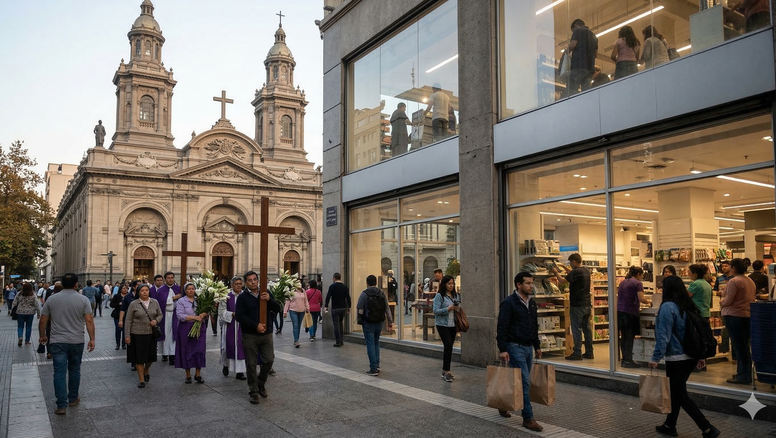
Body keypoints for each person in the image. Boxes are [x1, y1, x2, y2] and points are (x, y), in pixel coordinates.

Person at [649, 276, 721, 438]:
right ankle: (669, 425)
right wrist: (700, 356)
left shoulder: (667, 307)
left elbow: (663, 335)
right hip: (690, 357)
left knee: (680, 395)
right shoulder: (688, 305)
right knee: (676, 392)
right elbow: (698, 333)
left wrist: (655, 358)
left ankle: (708, 428)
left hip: (676, 358)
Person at [38, 273, 95, 415]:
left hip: (57, 341)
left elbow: (43, 320)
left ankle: (61, 405)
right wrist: (92, 339)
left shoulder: (51, 299)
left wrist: (42, 335)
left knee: (59, 372)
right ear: (76, 285)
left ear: (62, 284)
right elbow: (89, 320)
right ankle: (73, 398)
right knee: (75, 369)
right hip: (76, 340)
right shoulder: (83, 300)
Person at [496, 272, 543, 432]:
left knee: (516, 380)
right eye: (528, 283)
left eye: (531, 283)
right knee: (523, 381)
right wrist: (502, 349)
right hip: (514, 346)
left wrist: (537, 346)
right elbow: (502, 326)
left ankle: (502, 403)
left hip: (528, 346)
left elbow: (533, 325)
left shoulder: (532, 303)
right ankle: (528, 418)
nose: (531, 286)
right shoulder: (509, 303)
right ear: (518, 285)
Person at [235, 270, 281, 404]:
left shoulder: (265, 293)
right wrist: (255, 325)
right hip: (250, 335)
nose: (253, 282)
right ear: (246, 283)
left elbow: (277, 308)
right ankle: (254, 391)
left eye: (255, 279)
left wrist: (269, 300)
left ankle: (261, 383)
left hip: (266, 334)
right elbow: (239, 316)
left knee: (269, 360)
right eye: (250, 280)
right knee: (251, 364)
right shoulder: (243, 298)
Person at [721, 258, 756, 385]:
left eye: (730, 267)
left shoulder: (734, 281)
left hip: (734, 316)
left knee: (739, 346)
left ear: (734, 268)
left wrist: (721, 302)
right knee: (744, 346)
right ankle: (744, 372)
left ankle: (743, 375)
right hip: (746, 315)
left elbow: (728, 300)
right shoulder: (750, 281)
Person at [552, 253, 593, 360]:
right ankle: (589, 352)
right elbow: (572, 274)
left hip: (577, 305)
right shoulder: (586, 270)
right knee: (587, 329)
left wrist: (556, 273)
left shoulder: (575, 272)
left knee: (576, 329)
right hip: (587, 304)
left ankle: (577, 353)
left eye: (571, 263)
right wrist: (565, 267)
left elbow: (562, 281)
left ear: (574, 261)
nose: (570, 264)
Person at [123, 284, 162, 388]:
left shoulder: (155, 302)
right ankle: (141, 379)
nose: (145, 292)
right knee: (139, 358)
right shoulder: (133, 304)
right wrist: (127, 335)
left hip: (150, 334)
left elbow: (160, 314)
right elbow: (128, 320)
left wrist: (156, 320)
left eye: (146, 290)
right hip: (137, 334)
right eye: (142, 290)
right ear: (138, 292)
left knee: (150, 357)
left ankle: (146, 369)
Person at [356, 275, 393, 376]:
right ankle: (377, 365)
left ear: (367, 283)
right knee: (376, 342)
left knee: (370, 344)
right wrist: (390, 321)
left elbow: (360, 307)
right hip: (379, 321)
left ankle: (373, 369)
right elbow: (387, 308)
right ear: (376, 282)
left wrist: (359, 319)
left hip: (368, 322)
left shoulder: (364, 294)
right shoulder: (381, 293)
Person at [617, 266, 650, 368]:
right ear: (639, 274)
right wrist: (649, 302)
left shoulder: (623, 282)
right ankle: (629, 360)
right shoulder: (637, 283)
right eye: (642, 275)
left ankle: (624, 359)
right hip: (630, 312)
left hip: (620, 311)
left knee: (624, 337)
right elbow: (641, 298)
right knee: (630, 337)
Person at [175, 282, 208, 384]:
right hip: (186, 327)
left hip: (199, 327)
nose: (191, 290)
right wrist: (194, 317)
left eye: (193, 288)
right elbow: (180, 316)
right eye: (189, 289)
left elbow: (207, 312)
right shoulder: (181, 301)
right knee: (187, 350)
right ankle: (188, 374)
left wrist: (203, 314)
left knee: (199, 349)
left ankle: (198, 374)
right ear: (185, 291)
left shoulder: (200, 299)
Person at [433, 275, 460, 382]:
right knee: (448, 345)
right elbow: (435, 311)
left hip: (453, 324)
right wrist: (448, 309)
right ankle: (446, 371)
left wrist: (457, 307)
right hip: (442, 324)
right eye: (449, 283)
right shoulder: (440, 296)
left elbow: (459, 308)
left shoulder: (455, 295)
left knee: (450, 347)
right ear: (444, 284)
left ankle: (445, 370)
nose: (451, 286)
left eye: (452, 283)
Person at [220, 277, 247, 380]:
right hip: (230, 324)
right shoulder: (226, 296)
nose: (238, 285)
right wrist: (233, 314)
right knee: (229, 346)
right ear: (231, 285)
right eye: (236, 284)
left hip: (243, 325)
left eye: (240, 283)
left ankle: (240, 372)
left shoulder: (245, 295)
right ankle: (226, 365)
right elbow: (221, 312)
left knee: (241, 347)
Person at [151, 271, 180, 365]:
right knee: (166, 335)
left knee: (173, 335)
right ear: (165, 279)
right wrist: (174, 298)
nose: (170, 279)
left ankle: (173, 356)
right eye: (168, 278)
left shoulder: (178, 288)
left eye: (172, 277)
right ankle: (165, 354)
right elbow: (162, 302)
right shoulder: (161, 290)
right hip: (165, 314)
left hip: (175, 315)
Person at [566, 19, 598, 96]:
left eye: (573, 30)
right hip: (590, 68)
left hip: (578, 66)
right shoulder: (594, 36)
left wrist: (565, 52)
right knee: (586, 91)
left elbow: (573, 45)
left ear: (576, 26)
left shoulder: (578, 31)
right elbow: (596, 54)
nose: (573, 32)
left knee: (572, 90)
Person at [324, 272, 351, 347]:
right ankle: (341, 340)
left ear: (334, 278)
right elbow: (348, 298)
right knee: (340, 323)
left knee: (336, 324)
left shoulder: (332, 286)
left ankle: (338, 341)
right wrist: (349, 307)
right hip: (343, 307)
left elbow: (328, 297)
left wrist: (326, 306)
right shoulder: (345, 287)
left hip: (335, 308)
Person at [713, 260, 733, 355]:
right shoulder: (719, 278)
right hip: (722, 306)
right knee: (724, 328)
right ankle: (724, 349)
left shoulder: (734, 278)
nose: (724, 268)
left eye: (726, 266)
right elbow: (715, 291)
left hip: (733, 307)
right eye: (723, 266)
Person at [13, 283, 41, 347]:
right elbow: (36, 305)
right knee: (28, 327)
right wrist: (38, 313)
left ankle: (20, 337)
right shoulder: (33, 295)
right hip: (30, 313)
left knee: (20, 326)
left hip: (20, 312)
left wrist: (13, 310)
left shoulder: (19, 294)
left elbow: (14, 302)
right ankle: (27, 341)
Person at [111, 285, 129, 350]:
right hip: (117, 315)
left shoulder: (129, 296)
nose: (125, 289)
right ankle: (117, 344)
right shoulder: (117, 296)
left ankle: (124, 344)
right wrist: (118, 304)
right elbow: (111, 304)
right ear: (120, 289)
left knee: (125, 330)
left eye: (126, 288)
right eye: (123, 288)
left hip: (127, 316)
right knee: (118, 330)